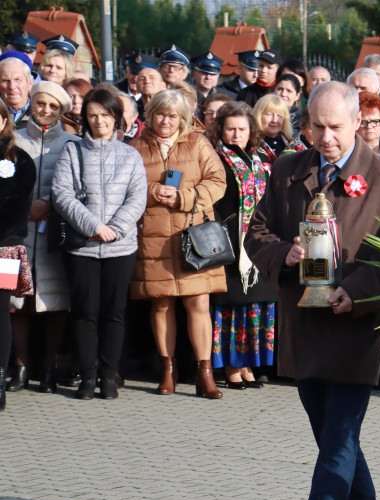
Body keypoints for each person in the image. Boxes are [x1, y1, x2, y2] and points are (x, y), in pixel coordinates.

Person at [243, 82, 380, 500]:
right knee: (332, 437)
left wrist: (359, 290)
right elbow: (256, 234)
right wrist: (284, 254)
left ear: (359, 120)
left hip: (356, 326)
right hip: (303, 323)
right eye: (315, 126)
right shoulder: (287, 171)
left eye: (335, 127)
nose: (325, 137)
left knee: (339, 438)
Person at [128, 89, 228, 399]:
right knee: (161, 302)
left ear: (183, 118)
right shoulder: (135, 148)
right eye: (160, 114)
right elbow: (122, 187)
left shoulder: (198, 143)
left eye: (173, 115)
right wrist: (151, 192)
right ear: (150, 115)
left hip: (193, 235)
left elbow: (217, 181)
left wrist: (184, 197)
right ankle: (168, 370)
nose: (166, 121)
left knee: (199, 302)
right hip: (153, 237)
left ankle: (204, 371)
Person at [51, 88, 147, 400]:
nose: (98, 120)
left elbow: (137, 197)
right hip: (83, 247)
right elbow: (62, 193)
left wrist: (114, 229)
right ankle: (87, 377)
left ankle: (109, 376)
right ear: (85, 119)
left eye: (105, 114)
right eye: (92, 114)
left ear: (116, 118)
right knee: (84, 312)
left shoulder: (130, 155)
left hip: (120, 248)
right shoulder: (72, 151)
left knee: (114, 312)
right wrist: (93, 226)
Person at [9, 81, 78, 393]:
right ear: (32, 103)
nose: (46, 111)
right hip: (13, 236)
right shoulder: (12, 140)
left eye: (53, 106)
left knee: (55, 302)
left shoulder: (71, 143)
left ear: (61, 110)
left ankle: (50, 365)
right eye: (41, 104)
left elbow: (78, 191)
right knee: (14, 303)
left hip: (54, 236)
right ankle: (20, 366)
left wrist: (51, 208)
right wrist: (26, 210)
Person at [209, 101, 276, 390]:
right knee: (232, 305)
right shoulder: (217, 158)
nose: (236, 135)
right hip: (229, 241)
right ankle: (232, 366)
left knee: (255, 303)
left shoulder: (261, 159)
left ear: (251, 131)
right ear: (221, 131)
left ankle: (249, 362)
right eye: (230, 129)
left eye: (242, 129)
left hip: (257, 243)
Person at [0, 100, 36, 410]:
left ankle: (0, 380)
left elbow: (17, 208)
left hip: (5, 248)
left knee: (1, 311)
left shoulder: (19, 159)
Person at [347, 68, 380, 149]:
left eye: (363, 89)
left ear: (376, 92)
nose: (357, 92)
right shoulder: (341, 120)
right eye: (354, 88)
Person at [254, 94, 304, 161]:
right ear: (259, 115)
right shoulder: (250, 144)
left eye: (279, 115)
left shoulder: (291, 145)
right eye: (269, 114)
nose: (274, 120)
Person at [0, 57, 32, 126]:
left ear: (30, 83)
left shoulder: (42, 114)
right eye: (6, 80)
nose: (12, 86)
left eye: (17, 79)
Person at [274, 73, 303, 138]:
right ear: (274, 90)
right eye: (280, 89)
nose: (283, 94)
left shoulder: (301, 121)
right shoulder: (263, 114)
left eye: (289, 91)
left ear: (297, 96)